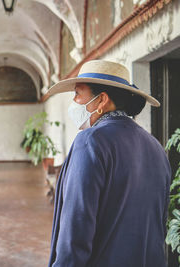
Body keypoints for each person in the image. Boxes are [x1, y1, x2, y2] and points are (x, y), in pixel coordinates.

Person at [46, 60, 171, 267]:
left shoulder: (90, 141)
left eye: (78, 94)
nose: (74, 102)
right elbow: (159, 223)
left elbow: (76, 230)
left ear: (101, 100)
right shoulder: (155, 146)